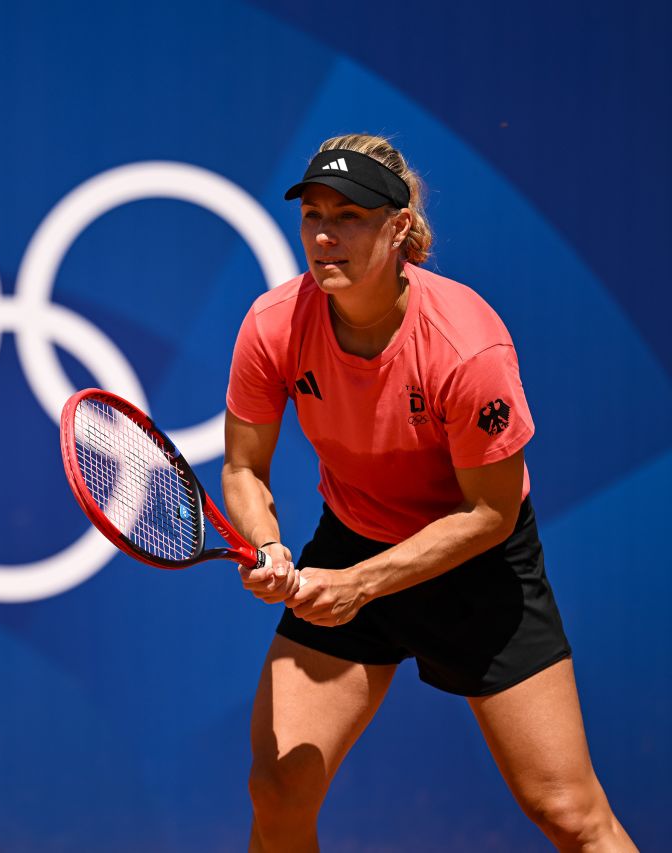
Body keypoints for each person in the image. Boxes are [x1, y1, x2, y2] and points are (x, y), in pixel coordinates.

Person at [222, 134, 635, 852]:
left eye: (349, 216)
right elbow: (244, 468)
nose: (324, 235)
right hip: (351, 538)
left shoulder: (466, 348)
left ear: (398, 228)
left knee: (570, 813)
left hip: (478, 566)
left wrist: (361, 583)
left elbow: (491, 513)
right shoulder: (272, 324)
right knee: (278, 786)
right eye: (313, 214)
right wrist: (271, 548)